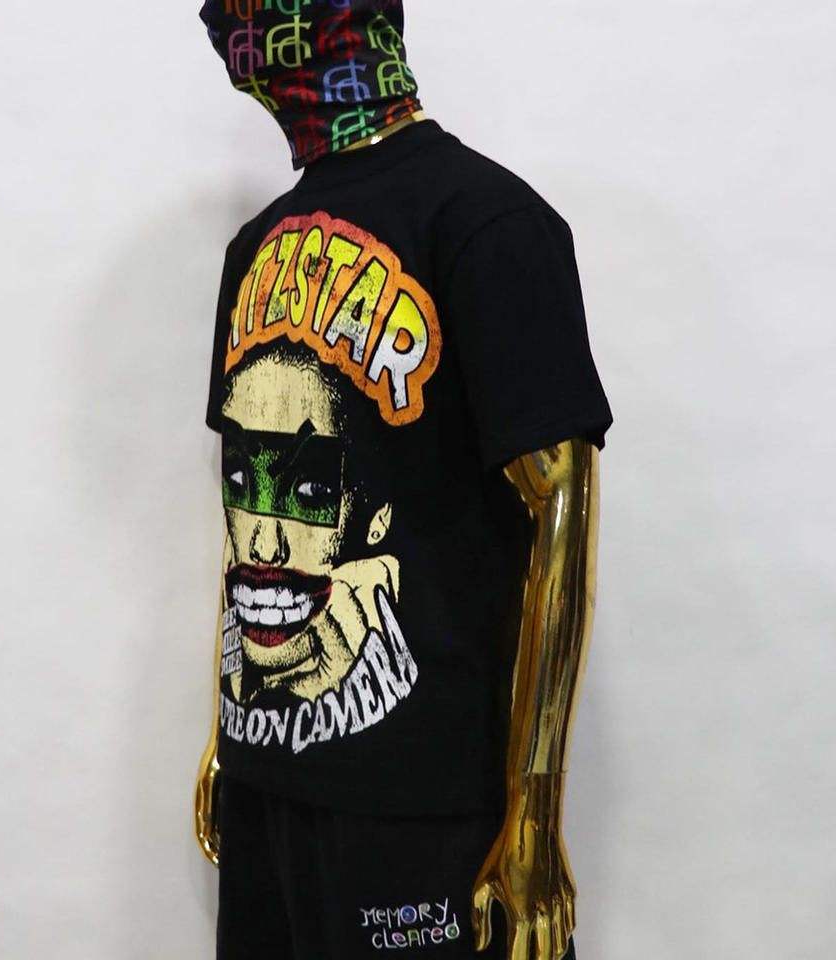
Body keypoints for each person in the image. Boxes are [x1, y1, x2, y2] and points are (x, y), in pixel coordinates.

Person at [195, 2, 613, 958]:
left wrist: (535, 810)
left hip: (424, 805)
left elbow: (563, 505)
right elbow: (236, 507)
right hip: (267, 785)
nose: (221, 22)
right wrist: (225, 730)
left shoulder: (488, 222)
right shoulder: (254, 247)